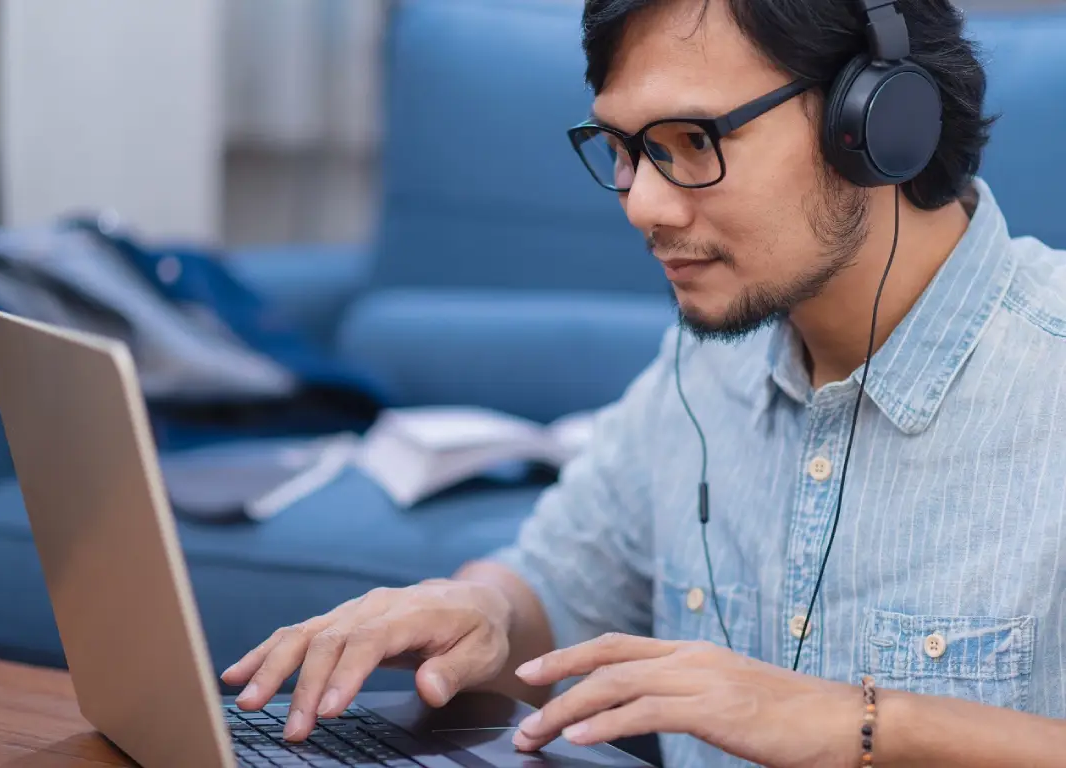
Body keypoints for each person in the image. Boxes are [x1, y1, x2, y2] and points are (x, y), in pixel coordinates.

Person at [223, 0, 1066, 765]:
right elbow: (554, 586)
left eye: (694, 142)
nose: (642, 206)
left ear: (878, 123)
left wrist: (863, 723)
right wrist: (481, 613)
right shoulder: (704, 368)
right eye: (628, 150)